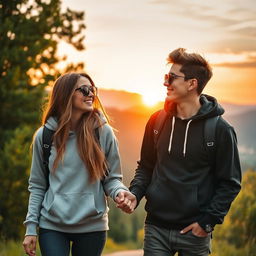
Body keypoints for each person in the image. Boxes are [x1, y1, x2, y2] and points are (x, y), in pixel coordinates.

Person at [117, 48, 242, 255]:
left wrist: (207, 222)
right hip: (156, 227)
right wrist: (135, 194)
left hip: (195, 233)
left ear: (192, 84)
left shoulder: (220, 130)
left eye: (172, 78)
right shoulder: (157, 120)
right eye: (166, 77)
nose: (166, 83)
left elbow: (230, 182)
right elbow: (147, 166)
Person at [23, 72, 135, 256]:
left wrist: (120, 192)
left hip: (92, 227)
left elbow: (112, 179)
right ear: (66, 95)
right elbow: (37, 186)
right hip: (52, 226)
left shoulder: (103, 133)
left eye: (92, 89)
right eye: (84, 89)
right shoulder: (44, 137)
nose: (90, 94)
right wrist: (30, 228)